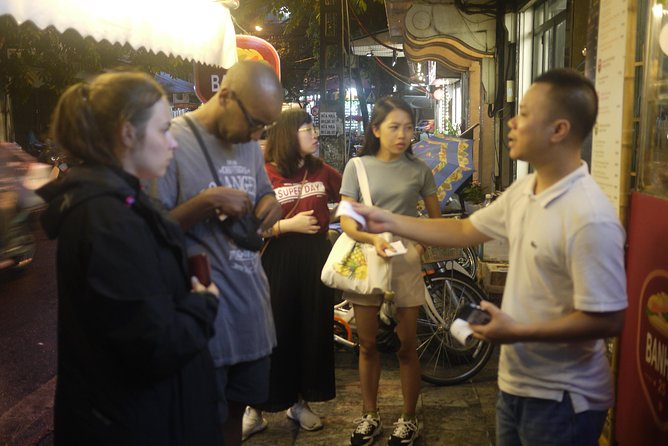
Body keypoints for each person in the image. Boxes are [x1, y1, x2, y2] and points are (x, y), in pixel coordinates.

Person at [352, 68, 628, 446]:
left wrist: (516, 332)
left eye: (526, 114)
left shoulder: (589, 216)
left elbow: (608, 320)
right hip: (515, 386)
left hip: (562, 401)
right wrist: (387, 219)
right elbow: (465, 230)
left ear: (559, 130)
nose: (512, 121)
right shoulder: (527, 188)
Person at [35, 71, 222, 445]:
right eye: (163, 130)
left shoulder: (118, 206)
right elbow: (153, 346)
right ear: (127, 134)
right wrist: (204, 305)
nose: (172, 143)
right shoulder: (110, 222)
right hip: (130, 424)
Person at [154, 60, 284, 446]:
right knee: (198, 427)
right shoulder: (172, 143)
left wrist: (268, 208)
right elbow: (151, 233)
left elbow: (265, 194)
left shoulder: (246, 144)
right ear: (224, 97)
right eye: (255, 123)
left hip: (252, 315)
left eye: (265, 127)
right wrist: (206, 201)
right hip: (205, 324)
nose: (257, 135)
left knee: (235, 419)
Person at [340, 96, 440, 446]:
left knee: (407, 345)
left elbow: (435, 221)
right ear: (375, 129)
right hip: (369, 262)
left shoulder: (419, 170)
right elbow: (347, 223)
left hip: (405, 265)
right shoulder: (357, 166)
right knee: (367, 345)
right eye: (395, 127)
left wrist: (417, 249)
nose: (403, 135)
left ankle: (409, 417)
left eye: (409, 127)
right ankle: (370, 415)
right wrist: (373, 240)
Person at [241, 109, 342, 440]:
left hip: (315, 262)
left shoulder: (323, 171)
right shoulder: (265, 174)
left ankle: (299, 404)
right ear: (288, 135)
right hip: (276, 263)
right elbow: (250, 227)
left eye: (314, 128)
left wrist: (335, 214)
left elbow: (346, 200)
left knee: (310, 332)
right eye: (307, 129)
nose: (315, 134)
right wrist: (286, 225)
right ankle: (254, 408)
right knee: (273, 333)